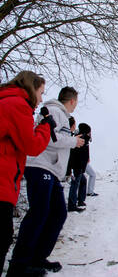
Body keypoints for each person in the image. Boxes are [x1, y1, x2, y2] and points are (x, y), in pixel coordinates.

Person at [7, 87, 85, 276]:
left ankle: (37, 257)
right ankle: (19, 264)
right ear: (72, 101)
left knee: (58, 213)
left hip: (52, 171)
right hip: (40, 166)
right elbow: (48, 137)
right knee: (39, 213)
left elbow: (58, 138)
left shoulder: (63, 116)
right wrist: (73, 142)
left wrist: (72, 140)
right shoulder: (53, 111)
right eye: (77, 102)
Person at [0, 71, 51, 276]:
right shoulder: (18, 105)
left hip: (6, 180)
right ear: (31, 88)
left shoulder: (6, 101)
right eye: (41, 92)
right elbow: (31, 145)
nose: (40, 99)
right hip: (2, 181)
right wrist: (45, 128)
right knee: (3, 237)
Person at [67, 123, 92, 212]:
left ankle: (80, 201)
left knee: (82, 181)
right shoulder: (80, 139)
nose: (90, 133)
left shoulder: (84, 139)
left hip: (80, 166)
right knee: (75, 184)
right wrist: (70, 168)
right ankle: (72, 205)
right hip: (78, 166)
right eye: (89, 131)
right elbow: (74, 154)